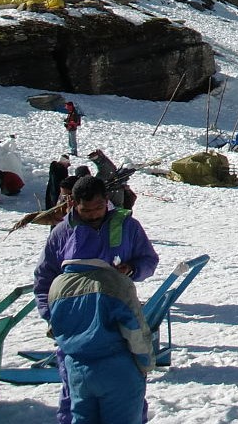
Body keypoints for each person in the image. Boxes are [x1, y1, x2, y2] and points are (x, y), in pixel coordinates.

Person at [34, 175, 159, 424]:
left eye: (98, 208)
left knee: (125, 403)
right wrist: (53, 317)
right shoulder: (62, 232)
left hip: (115, 328)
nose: (93, 215)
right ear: (73, 204)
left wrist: (132, 269)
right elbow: (44, 277)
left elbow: (148, 260)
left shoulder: (127, 227)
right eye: (85, 210)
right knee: (74, 401)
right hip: (74, 332)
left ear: (107, 202)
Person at [47, 256, 154, 424]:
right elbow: (134, 329)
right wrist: (145, 362)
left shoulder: (57, 285)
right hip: (117, 369)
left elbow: (54, 328)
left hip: (78, 370)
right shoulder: (115, 282)